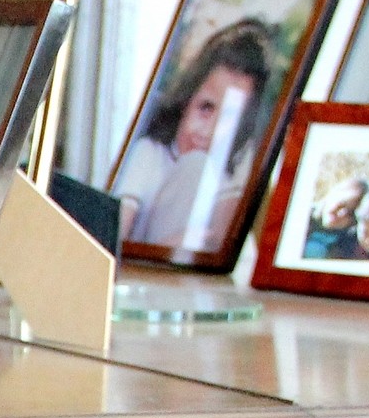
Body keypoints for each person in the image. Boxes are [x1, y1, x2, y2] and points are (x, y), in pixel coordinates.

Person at [114, 21, 275, 251]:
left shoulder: (236, 161)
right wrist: (167, 248)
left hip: (193, 280)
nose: (208, 130)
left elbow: (223, 244)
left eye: (229, 117)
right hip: (146, 271)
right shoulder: (149, 152)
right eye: (206, 107)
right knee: (196, 165)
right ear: (188, 97)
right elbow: (113, 238)